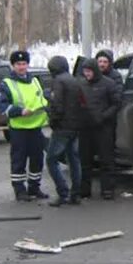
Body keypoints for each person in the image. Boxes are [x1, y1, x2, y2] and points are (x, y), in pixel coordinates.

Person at [0, 50, 49, 202]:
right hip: (19, 128)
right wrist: (19, 111)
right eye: (18, 64)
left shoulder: (34, 80)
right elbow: (1, 106)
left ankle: (34, 187)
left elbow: (41, 100)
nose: (21, 67)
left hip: (36, 126)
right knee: (19, 160)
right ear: (13, 66)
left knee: (37, 159)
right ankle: (20, 190)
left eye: (24, 63)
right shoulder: (7, 83)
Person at [45, 55, 86, 207]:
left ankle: (63, 193)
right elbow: (82, 103)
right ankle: (75, 194)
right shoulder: (75, 80)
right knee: (74, 160)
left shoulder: (58, 82)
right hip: (75, 126)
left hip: (62, 127)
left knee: (51, 159)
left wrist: (52, 119)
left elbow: (58, 106)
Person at [77, 58, 121, 200]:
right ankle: (84, 189)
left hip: (103, 127)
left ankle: (107, 189)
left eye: (89, 71)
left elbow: (116, 103)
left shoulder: (108, 84)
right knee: (85, 160)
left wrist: (104, 116)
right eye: (85, 71)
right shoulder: (81, 84)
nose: (87, 74)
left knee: (106, 159)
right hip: (85, 128)